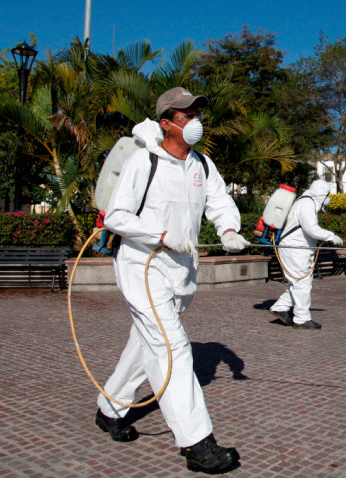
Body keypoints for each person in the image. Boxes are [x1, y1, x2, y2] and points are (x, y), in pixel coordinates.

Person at [96, 87, 249, 474]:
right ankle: (197, 444)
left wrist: (229, 229)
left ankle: (110, 409)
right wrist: (161, 236)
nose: (195, 120)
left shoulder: (202, 164)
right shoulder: (144, 161)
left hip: (181, 272)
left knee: (146, 344)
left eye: (197, 112)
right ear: (166, 123)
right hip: (142, 266)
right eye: (185, 115)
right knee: (173, 348)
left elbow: (219, 202)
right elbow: (116, 216)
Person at [269, 179, 343, 330]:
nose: (328, 198)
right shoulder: (307, 203)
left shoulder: (306, 202)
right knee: (302, 283)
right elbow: (311, 228)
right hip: (295, 249)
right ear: (321, 194)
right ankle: (302, 319)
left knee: (300, 282)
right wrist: (331, 236)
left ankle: (280, 307)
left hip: (298, 249)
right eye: (327, 194)